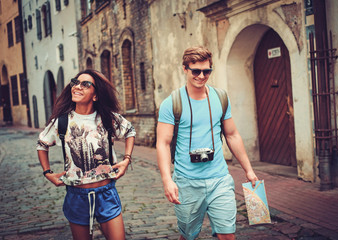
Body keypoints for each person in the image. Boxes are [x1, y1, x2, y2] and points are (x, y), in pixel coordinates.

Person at [156, 46, 258, 240]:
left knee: (227, 234)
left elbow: (232, 134)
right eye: (196, 71)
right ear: (185, 69)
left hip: (219, 178)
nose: (201, 76)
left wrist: (249, 170)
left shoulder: (220, 97)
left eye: (207, 71)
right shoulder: (172, 103)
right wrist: (167, 180)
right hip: (186, 182)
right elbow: (163, 143)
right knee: (188, 236)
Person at [37, 69, 136, 240]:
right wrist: (48, 173)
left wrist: (126, 160)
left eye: (85, 84)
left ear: (95, 95)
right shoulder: (62, 121)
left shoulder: (107, 118)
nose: (78, 86)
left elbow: (129, 131)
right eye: (75, 82)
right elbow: (42, 144)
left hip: (106, 193)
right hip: (77, 196)